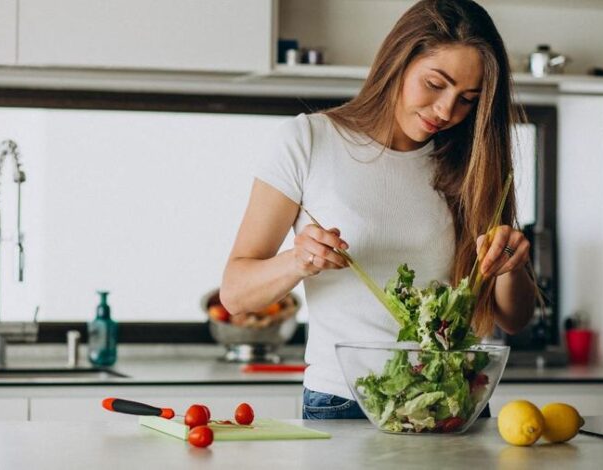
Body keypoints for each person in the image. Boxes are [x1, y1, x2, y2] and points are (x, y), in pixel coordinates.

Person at [220, 0, 535, 420]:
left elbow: (515, 319)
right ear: (398, 62)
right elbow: (236, 294)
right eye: (435, 84)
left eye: (467, 99)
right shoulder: (308, 141)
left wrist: (511, 267)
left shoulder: (471, 163)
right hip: (347, 401)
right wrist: (299, 260)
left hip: (457, 401)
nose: (446, 111)